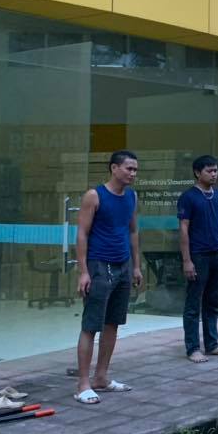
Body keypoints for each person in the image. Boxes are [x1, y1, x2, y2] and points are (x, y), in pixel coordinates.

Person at [74, 150, 143, 404]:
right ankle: (83, 384)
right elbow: (82, 233)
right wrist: (84, 271)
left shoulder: (131, 196)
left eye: (135, 170)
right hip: (99, 266)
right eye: (129, 168)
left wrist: (136, 266)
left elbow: (133, 232)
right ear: (114, 168)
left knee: (113, 323)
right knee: (91, 325)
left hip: (123, 265)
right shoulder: (94, 196)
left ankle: (101, 377)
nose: (133, 174)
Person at [178, 155, 218, 363]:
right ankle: (193, 348)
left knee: (213, 301)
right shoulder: (188, 197)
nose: (214, 174)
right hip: (199, 256)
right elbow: (183, 229)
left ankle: (212, 344)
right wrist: (187, 260)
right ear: (197, 173)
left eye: (215, 170)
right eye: (209, 171)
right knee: (193, 304)